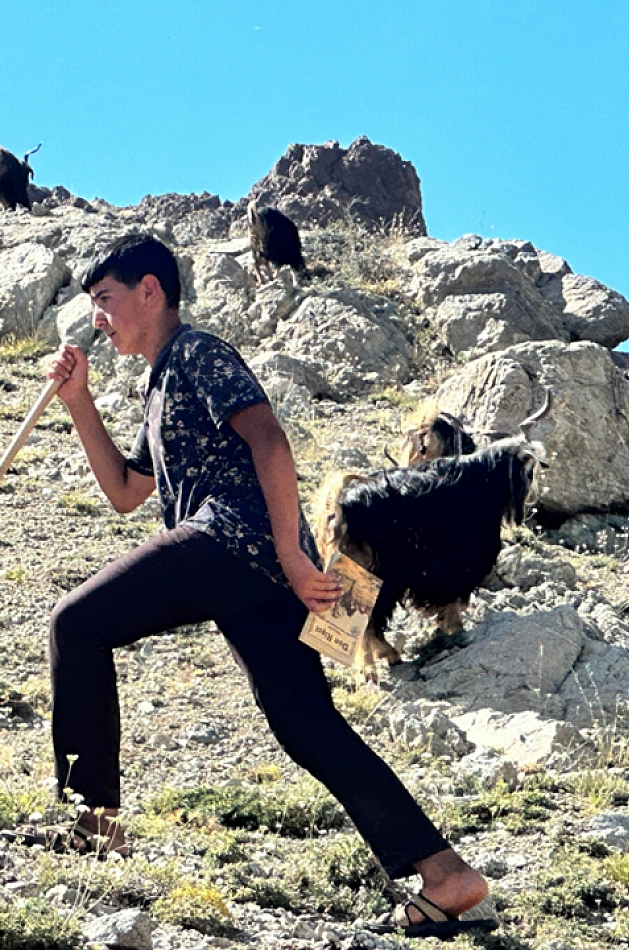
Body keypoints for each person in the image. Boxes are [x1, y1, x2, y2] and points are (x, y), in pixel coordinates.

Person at [41, 234, 493, 938]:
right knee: (307, 726)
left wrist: (290, 551)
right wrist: (79, 403)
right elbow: (128, 491)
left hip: (234, 543)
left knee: (76, 624)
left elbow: (271, 440)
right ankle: (446, 875)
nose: (97, 318)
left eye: (104, 299)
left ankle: (91, 823)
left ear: (150, 291)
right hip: (257, 571)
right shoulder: (159, 383)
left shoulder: (197, 352)